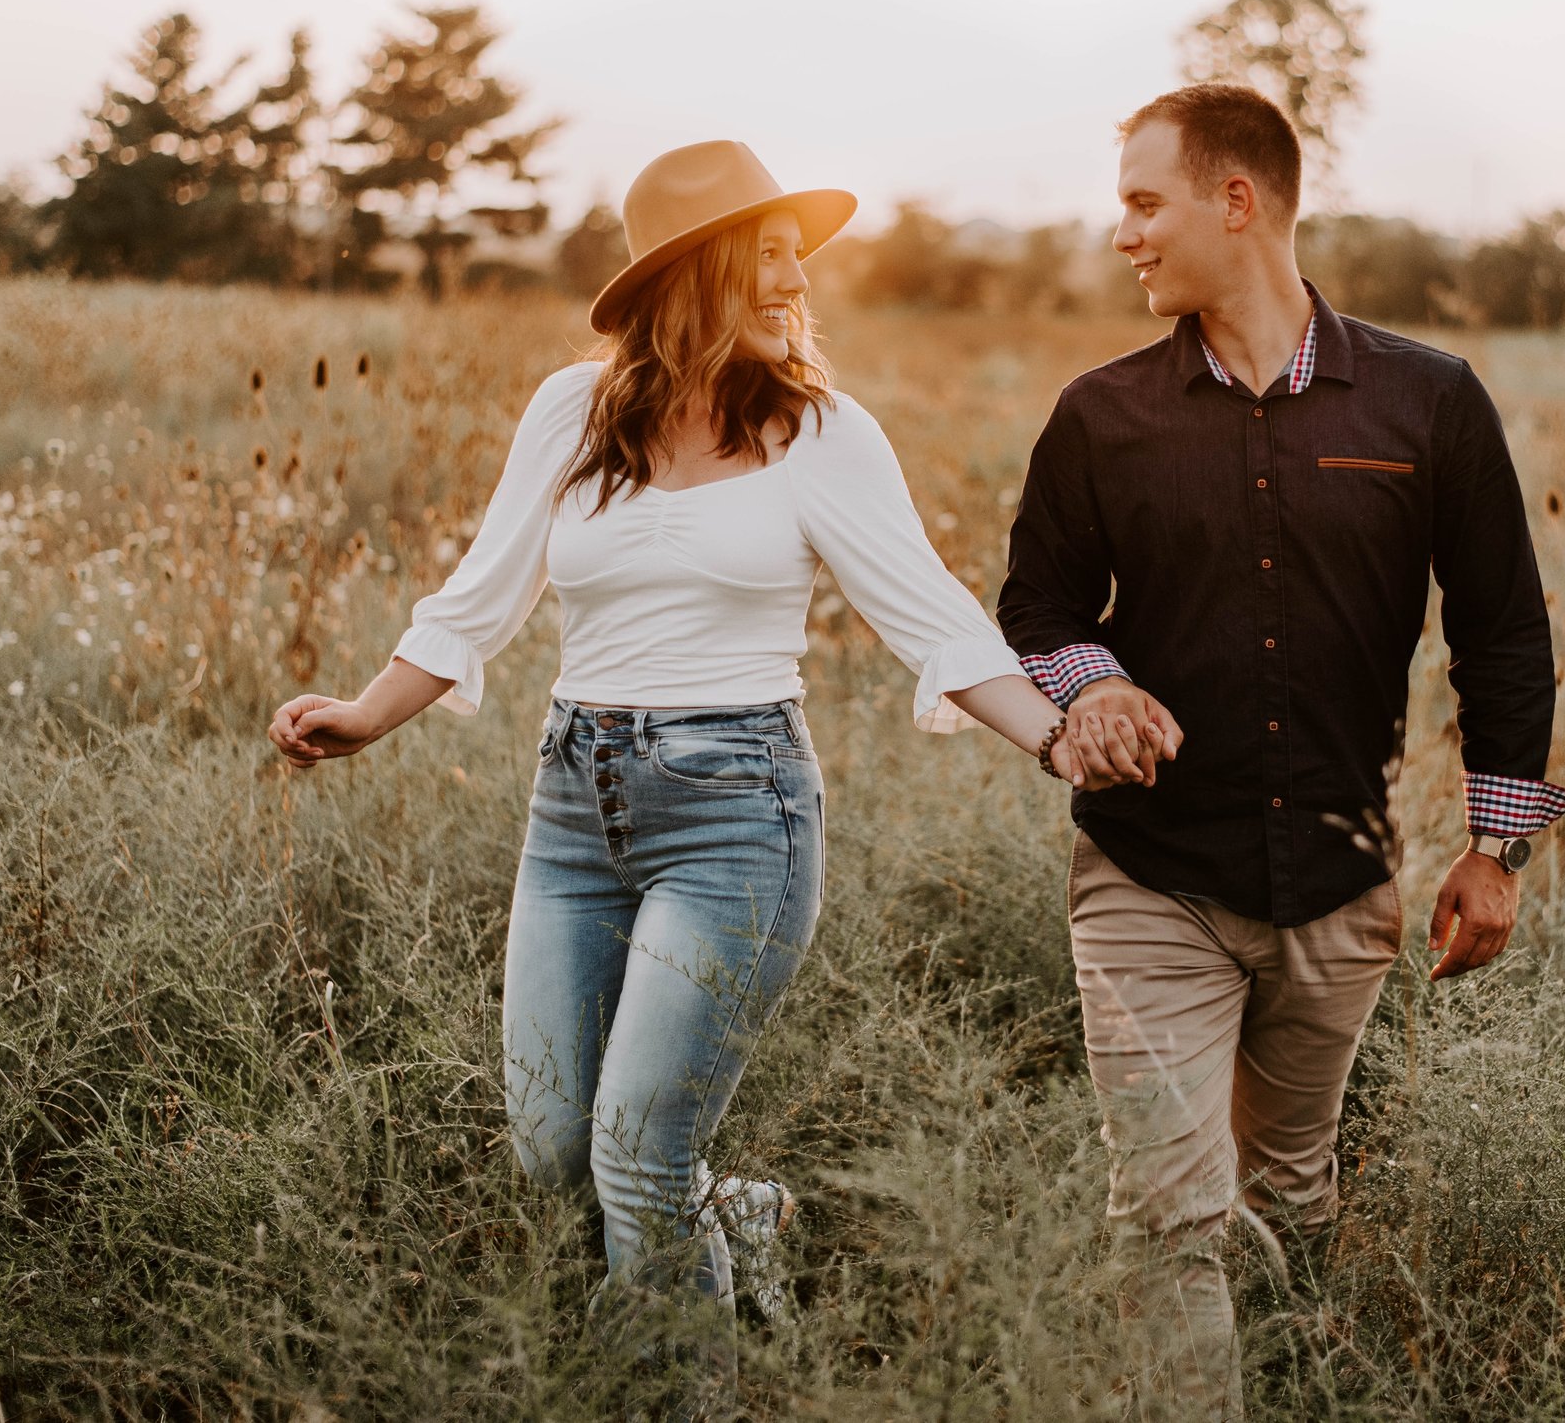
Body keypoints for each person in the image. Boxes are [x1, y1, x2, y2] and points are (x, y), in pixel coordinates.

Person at [267, 141, 1085, 1415]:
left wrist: (1052, 734)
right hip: (572, 803)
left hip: (737, 817)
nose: (790, 271)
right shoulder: (571, 411)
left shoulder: (818, 429)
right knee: (553, 1153)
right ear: (690, 271)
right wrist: (367, 714)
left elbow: (932, 616)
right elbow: (481, 594)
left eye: (791, 248)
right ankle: (742, 1216)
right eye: (761, 248)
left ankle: (678, 1394)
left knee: (639, 1154)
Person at [997, 85, 1565, 1417]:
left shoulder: (1429, 403)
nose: (1125, 236)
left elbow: (1502, 632)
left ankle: (1293, 1387)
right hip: (1149, 880)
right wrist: (1096, 685)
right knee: (1168, 1219)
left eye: (1145, 204)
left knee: (1286, 1203)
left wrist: (1497, 851)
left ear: (1237, 202)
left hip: (1341, 888)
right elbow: (1036, 608)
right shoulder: (1100, 416)